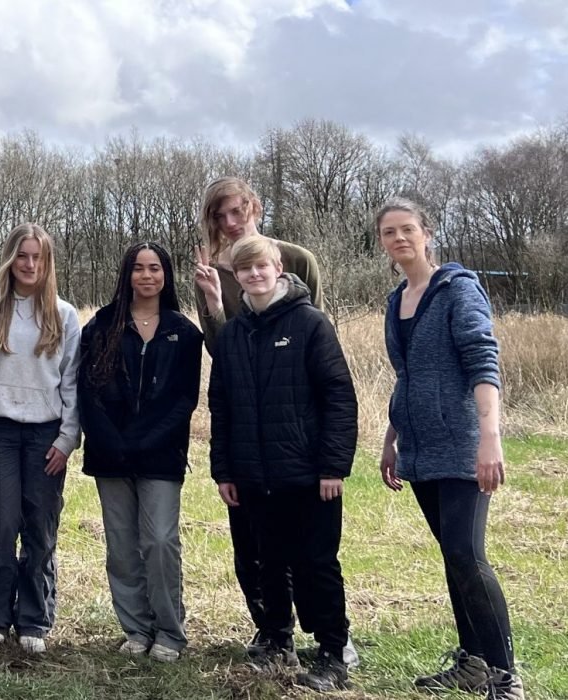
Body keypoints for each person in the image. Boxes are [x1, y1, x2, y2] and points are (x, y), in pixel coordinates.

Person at [186, 176, 356, 667]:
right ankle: (275, 637)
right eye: (220, 216)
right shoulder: (231, 319)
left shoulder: (308, 311)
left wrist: (332, 465)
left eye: (237, 211)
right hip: (251, 463)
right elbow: (223, 394)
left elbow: (334, 389)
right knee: (261, 558)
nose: (230, 222)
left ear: (278, 267)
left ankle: (332, 646)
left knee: (313, 560)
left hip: (301, 460)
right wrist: (224, 470)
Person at [375, 199, 524, 699]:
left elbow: (484, 361)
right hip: (418, 446)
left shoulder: (460, 291)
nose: (400, 239)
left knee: (466, 553)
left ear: (427, 234)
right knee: (452, 556)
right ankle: (473, 663)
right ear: (382, 243)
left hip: (462, 444)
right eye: (390, 232)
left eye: (408, 230)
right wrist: (392, 439)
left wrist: (490, 438)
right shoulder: (397, 300)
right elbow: (406, 377)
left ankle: (506, 677)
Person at [0, 223, 81, 654]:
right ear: (11, 259)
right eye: (23, 256)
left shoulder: (64, 315)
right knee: (0, 522)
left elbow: (72, 384)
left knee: (40, 526)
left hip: (47, 434)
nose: (30, 265)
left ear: (47, 264)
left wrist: (68, 438)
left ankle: (33, 620)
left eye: (38, 258)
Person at [76, 242, 202, 662]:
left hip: (161, 455)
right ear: (126, 274)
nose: (147, 276)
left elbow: (185, 399)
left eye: (155, 269)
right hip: (109, 453)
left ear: (166, 275)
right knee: (122, 546)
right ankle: (136, 628)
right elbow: (87, 392)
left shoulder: (184, 333)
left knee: (161, 541)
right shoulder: (100, 326)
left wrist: (145, 440)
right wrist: (112, 440)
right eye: (138, 268)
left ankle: (169, 631)